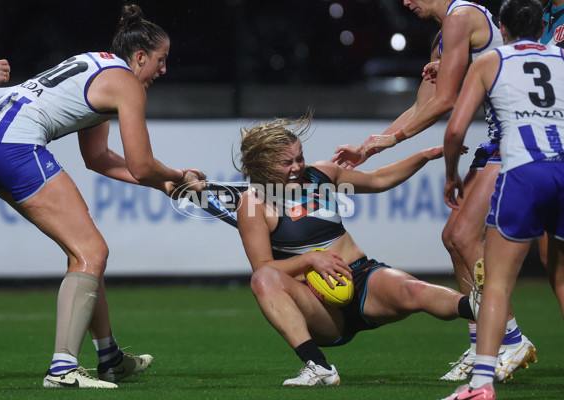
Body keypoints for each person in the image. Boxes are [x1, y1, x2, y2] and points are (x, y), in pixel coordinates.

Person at [0, 3, 205, 389]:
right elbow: (141, 165)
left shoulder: (98, 64)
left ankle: (109, 357)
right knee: (91, 252)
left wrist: (163, 183)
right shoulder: (126, 83)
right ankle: (62, 369)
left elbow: (97, 159)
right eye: (161, 60)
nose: (164, 70)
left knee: (83, 248)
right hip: (12, 146)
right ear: (139, 56)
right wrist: (176, 175)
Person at [331, 0, 537, 382]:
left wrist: (389, 140)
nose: (406, 3)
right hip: (498, 140)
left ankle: (510, 337)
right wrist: (371, 144)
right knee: (453, 237)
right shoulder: (444, 35)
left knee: (464, 236)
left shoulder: (461, 17)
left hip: (517, 139)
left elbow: (445, 101)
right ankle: (481, 346)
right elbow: (422, 104)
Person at [235, 114, 480, 386]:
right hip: (320, 306)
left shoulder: (321, 174)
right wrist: (310, 260)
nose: (296, 167)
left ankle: (499, 323)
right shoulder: (253, 204)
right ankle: (319, 367)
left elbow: (378, 180)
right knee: (263, 279)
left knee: (415, 290)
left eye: (299, 158)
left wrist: (424, 155)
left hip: (363, 279)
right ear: (263, 165)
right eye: (286, 162)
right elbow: (264, 267)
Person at [441, 0, 564, 398]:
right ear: (543, 23)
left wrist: (450, 176)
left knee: (496, 282)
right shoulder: (561, 56)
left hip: (524, 172)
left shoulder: (490, 60)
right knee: (561, 275)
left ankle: (481, 384)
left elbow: (455, 132)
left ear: (501, 27)